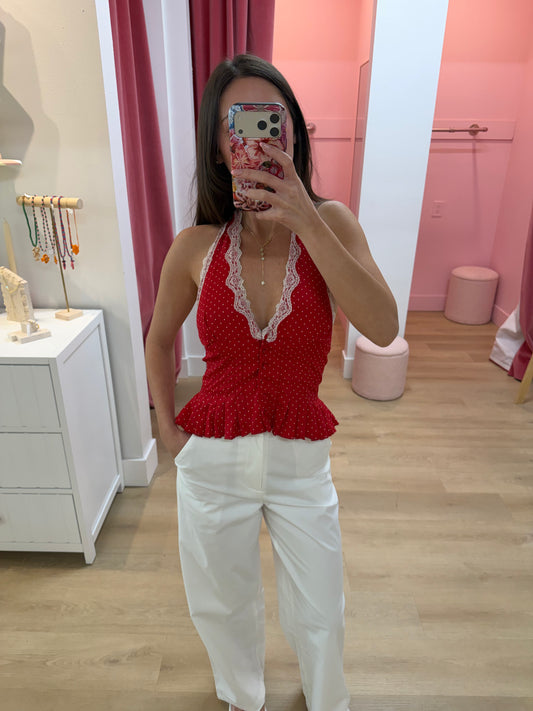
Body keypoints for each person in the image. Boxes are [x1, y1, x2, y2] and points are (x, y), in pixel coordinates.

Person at [146, 54, 398, 711]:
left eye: (273, 118)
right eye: (239, 121)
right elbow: (158, 338)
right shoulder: (195, 244)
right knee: (219, 601)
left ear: (292, 133)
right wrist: (167, 430)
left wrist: (305, 217)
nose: (258, 136)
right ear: (219, 145)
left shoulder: (332, 223)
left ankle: (327, 699)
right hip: (211, 459)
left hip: (299, 462)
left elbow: (381, 325)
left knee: (322, 605)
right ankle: (241, 695)